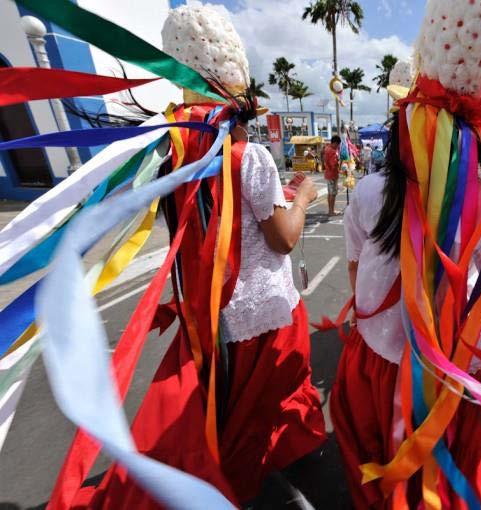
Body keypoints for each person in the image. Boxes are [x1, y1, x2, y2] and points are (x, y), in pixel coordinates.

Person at [48, 5, 326, 508]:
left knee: (230, 408)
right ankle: (233, 485)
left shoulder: (182, 152)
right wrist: (303, 197)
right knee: (255, 410)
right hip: (264, 312)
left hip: (214, 311)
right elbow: (282, 238)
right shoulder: (250, 156)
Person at [327, 1, 481, 507]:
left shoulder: (370, 192)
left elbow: (357, 274)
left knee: (379, 471)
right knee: (449, 479)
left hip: (376, 359)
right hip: (458, 371)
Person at [323, 135, 341, 215]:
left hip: (328, 173)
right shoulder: (332, 151)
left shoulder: (327, 148)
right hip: (332, 174)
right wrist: (338, 162)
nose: (337, 146)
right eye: (337, 145)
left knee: (330, 193)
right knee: (332, 193)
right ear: (335, 143)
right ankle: (331, 211)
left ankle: (330, 210)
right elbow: (333, 164)